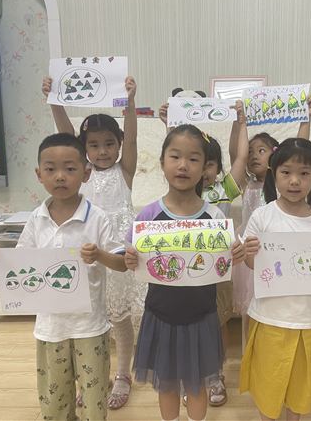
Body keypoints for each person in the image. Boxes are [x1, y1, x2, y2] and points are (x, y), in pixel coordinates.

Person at [0, 133, 128, 421]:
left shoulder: (97, 217)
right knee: (55, 401)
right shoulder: (36, 219)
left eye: (70, 168)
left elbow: (121, 264)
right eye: (51, 169)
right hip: (50, 329)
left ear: (85, 174)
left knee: (94, 403)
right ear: (39, 174)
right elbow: (21, 263)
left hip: (90, 327)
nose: (60, 176)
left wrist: (99, 255)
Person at [123, 124, 246, 421]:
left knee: (197, 385)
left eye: (193, 159)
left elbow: (224, 260)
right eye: (175, 156)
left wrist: (237, 254)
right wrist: (128, 257)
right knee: (166, 384)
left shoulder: (214, 217)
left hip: (201, 316)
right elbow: (128, 252)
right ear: (162, 162)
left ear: (205, 168)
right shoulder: (149, 215)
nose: (183, 165)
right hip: (160, 314)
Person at [42, 75, 146, 409]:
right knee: (89, 317)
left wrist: (130, 101)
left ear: (119, 144)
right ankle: (92, 377)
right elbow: (66, 133)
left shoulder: (124, 170)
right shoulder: (79, 172)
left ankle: (123, 373)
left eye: (109, 144)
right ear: (83, 149)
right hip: (85, 254)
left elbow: (132, 137)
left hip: (114, 255)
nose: (102, 151)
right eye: (94, 145)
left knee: (120, 317)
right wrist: (56, 99)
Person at [239, 138, 311, 421]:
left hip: (308, 318)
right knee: (268, 382)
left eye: (304, 173)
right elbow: (252, 264)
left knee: (300, 385)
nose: (294, 181)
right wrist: (249, 253)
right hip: (269, 316)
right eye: (286, 172)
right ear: (274, 175)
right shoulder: (262, 216)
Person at [159, 97, 249, 407]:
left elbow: (241, 156)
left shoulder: (224, 190)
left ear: (217, 168)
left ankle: (215, 374)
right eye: (199, 162)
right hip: (182, 276)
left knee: (218, 323)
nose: (200, 168)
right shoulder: (181, 191)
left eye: (209, 163)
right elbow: (176, 154)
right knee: (184, 325)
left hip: (216, 274)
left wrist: (241, 122)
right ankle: (189, 375)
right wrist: (169, 124)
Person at [231, 96, 311, 328]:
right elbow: (237, 155)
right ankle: (250, 343)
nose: (254, 155)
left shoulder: (285, 185)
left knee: (278, 298)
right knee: (250, 302)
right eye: (251, 152)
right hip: (253, 249)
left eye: (261, 150)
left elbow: (301, 149)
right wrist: (239, 122)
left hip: (279, 253)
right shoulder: (246, 185)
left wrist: (306, 117)